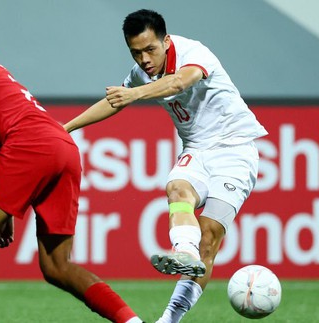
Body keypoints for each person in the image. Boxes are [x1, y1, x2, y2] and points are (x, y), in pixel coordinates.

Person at [0, 8, 143, 323]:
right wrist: (7, 210)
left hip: (32, 145)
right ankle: (132, 321)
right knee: (57, 266)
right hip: (62, 145)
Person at [63, 9, 268, 323]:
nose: (144, 59)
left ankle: (169, 319)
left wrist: (134, 93)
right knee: (176, 188)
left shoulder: (194, 53)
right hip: (197, 150)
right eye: (136, 52)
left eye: (150, 50)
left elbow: (178, 82)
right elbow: (112, 101)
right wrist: (67, 127)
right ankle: (184, 250)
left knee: (210, 237)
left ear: (166, 41)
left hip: (236, 149)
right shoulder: (141, 74)